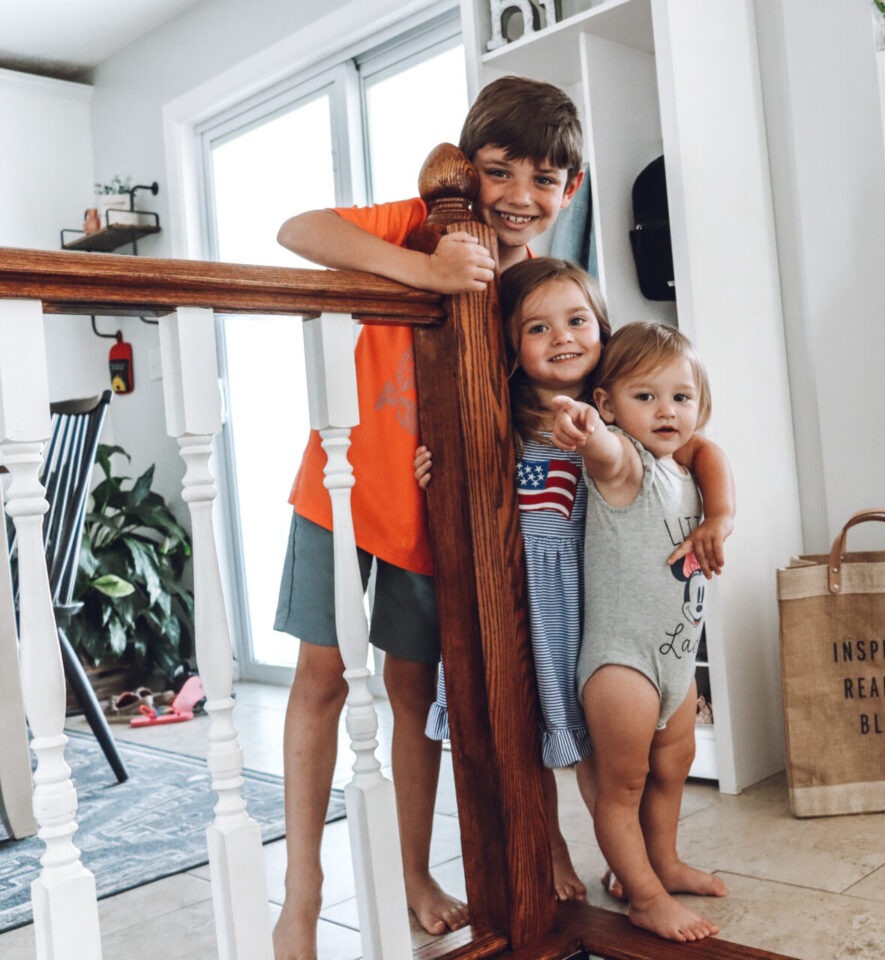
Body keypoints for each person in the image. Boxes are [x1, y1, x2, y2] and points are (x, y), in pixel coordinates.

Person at [270, 76, 585, 960]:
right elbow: (299, 232)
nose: (519, 197)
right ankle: (301, 898)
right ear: (466, 171)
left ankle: (413, 871)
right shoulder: (418, 222)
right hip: (338, 496)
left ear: (572, 189)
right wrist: (428, 271)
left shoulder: (533, 292)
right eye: (499, 173)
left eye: (545, 180)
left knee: (415, 701)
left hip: (434, 520)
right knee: (321, 683)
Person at [415, 258, 734, 906]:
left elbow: (696, 445)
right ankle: (553, 846)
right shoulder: (500, 418)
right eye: (539, 327)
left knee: (609, 754)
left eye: (577, 320)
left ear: (601, 327)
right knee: (527, 739)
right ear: (511, 342)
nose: (562, 337)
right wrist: (436, 470)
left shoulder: (629, 414)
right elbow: (472, 498)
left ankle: (640, 862)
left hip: (600, 605)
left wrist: (722, 511)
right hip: (528, 602)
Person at [550, 321, 731, 943]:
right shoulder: (625, 464)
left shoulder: (684, 466)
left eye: (680, 398)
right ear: (608, 404)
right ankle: (645, 897)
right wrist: (586, 430)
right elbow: (599, 449)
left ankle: (662, 862)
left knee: (674, 764)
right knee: (622, 785)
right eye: (645, 396)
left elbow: (709, 449)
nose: (666, 411)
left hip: (677, 657)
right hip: (622, 665)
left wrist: (722, 517)